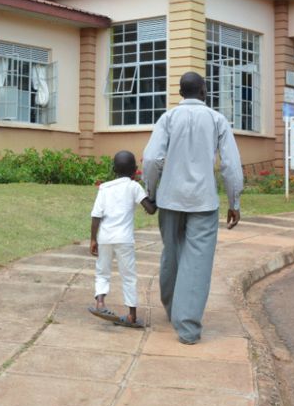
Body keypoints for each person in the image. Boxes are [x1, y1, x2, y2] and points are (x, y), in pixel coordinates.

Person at [143, 71, 243, 344]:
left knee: (172, 254)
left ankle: (172, 308)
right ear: (203, 91)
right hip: (203, 201)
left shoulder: (168, 118)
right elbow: (231, 166)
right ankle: (187, 327)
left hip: (169, 199)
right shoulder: (216, 119)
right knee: (196, 262)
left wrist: (150, 194)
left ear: (180, 93)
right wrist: (234, 202)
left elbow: (151, 159)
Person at [88, 150, 157, 328]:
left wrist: (93, 239)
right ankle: (131, 316)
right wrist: (154, 196)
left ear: (113, 169)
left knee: (102, 271)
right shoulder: (134, 187)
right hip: (124, 239)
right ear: (135, 170)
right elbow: (150, 210)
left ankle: (100, 303)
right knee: (128, 276)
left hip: (104, 237)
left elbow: (96, 216)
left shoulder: (104, 188)